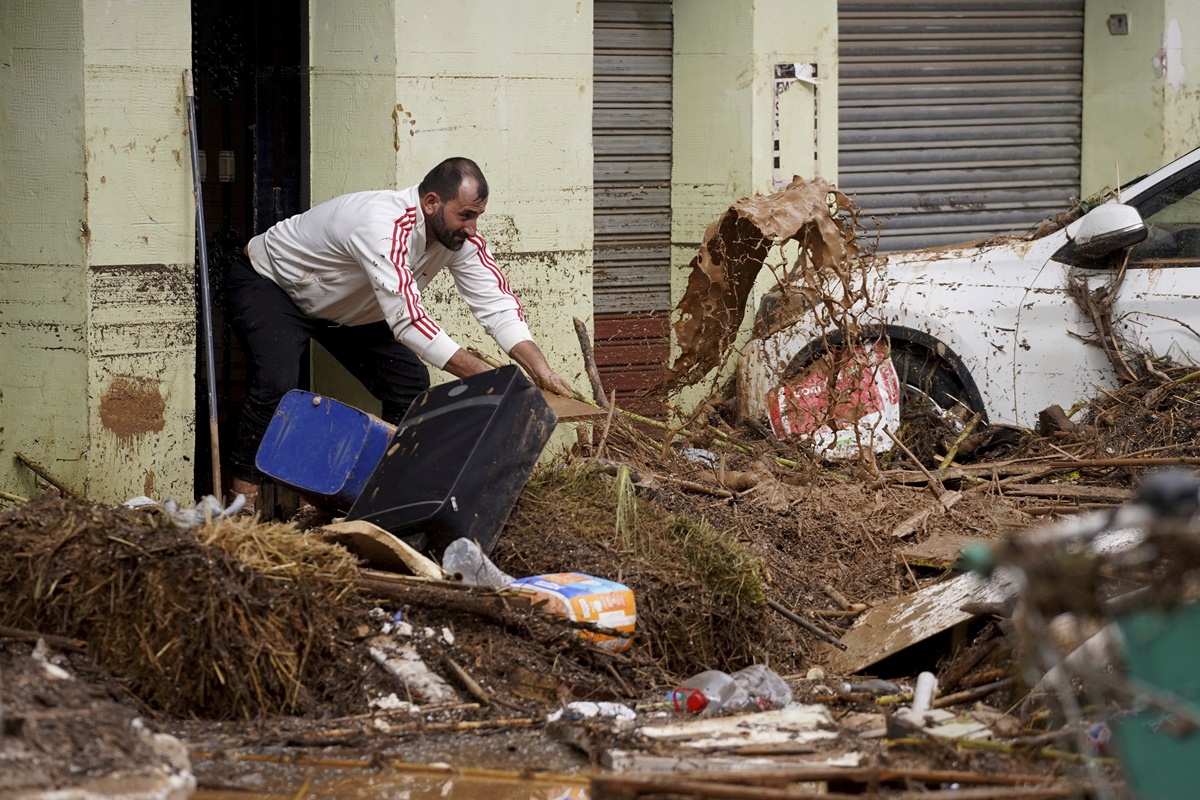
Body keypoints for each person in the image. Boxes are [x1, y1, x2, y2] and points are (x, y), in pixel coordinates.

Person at [224, 157, 574, 511]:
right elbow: (408, 320)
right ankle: (242, 505)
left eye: (477, 216)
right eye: (465, 215)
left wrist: (541, 371)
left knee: (408, 384)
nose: (472, 227)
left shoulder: (460, 238)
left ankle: (380, 493)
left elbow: (496, 305)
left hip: (347, 308)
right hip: (273, 286)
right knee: (276, 385)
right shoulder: (383, 224)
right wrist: (493, 381)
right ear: (431, 202)